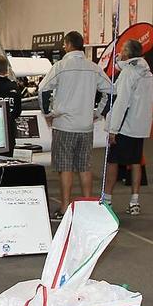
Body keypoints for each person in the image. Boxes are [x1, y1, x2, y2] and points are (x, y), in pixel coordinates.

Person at [38, 31, 113, 219]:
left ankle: (64, 207)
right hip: (85, 126)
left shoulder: (60, 66)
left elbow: (43, 89)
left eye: (64, 44)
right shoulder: (93, 67)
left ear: (69, 44)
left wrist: (48, 113)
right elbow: (111, 91)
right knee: (85, 167)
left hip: (64, 125)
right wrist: (98, 113)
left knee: (66, 167)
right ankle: (88, 206)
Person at [101, 40, 153, 215]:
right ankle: (134, 202)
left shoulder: (129, 73)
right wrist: (118, 61)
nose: (120, 52)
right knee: (136, 162)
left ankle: (107, 200)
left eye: (122, 50)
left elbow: (121, 102)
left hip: (125, 126)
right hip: (140, 126)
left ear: (128, 53)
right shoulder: (146, 71)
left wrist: (113, 129)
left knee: (113, 162)